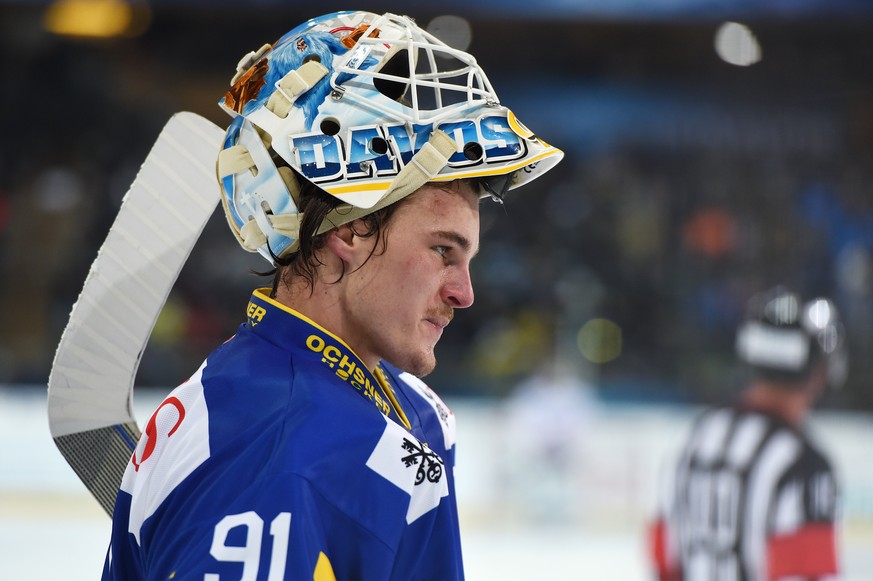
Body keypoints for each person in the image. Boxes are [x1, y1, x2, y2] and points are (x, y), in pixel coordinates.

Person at [102, 10, 563, 581]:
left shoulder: (401, 411)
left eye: (468, 258)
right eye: (443, 250)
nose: (465, 293)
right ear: (349, 229)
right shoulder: (277, 449)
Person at [649, 286, 848, 581]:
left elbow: (664, 555)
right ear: (817, 373)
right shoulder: (802, 463)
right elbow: (807, 574)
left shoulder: (697, 439)